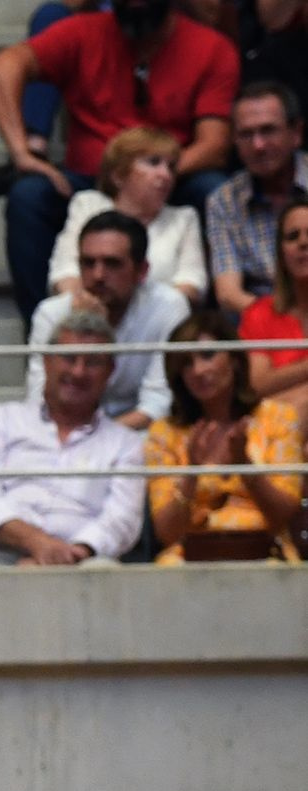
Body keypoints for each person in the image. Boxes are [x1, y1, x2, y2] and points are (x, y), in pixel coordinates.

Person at [0, 0, 239, 320]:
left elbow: (214, 145)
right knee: (28, 195)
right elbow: (2, 67)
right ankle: (49, 335)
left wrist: (153, 173)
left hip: (170, 177)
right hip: (89, 179)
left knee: (213, 190)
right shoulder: (82, 32)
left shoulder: (210, 47)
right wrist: (21, 152)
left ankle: (206, 342)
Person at [0, 308, 146, 567]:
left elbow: (122, 521)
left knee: (104, 573)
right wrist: (36, 543)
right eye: (69, 358)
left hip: (80, 559)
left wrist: (68, 553)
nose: (78, 372)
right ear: (46, 361)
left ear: (110, 371)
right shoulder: (0, 420)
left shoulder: (126, 443)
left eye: (92, 362)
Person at [143, 307, 303, 559]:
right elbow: (166, 532)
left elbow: (283, 515)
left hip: (265, 551)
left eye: (207, 355)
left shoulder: (279, 418)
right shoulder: (164, 432)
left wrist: (245, 466)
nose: (197, 371)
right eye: (186, 364)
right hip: (190, 557)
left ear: (235, 361)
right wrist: (191, 473)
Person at [27, 210, 193, 427]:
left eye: (112, 263)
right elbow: (41, 401)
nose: (98, 275)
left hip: (139, 437)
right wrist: (84, 329)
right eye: (88, 263)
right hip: (64, 437)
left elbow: (157, 406)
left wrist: (100, 442)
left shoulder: (169, 307)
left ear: (141, 271)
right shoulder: (51, 314)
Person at [46, 124, 208, 304]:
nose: (165, 174)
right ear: (118, 175)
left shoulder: (184, 218)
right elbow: (64, 271)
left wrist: (137, 315)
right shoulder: (88, 205)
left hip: (159, 324)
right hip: (90, 317)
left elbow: (193, 283)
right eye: (153, 162)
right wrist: (87, 309)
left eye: (170, 167)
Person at [207, 78, 308, 314]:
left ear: (296, 132)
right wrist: (285, 323)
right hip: (261, 317)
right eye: (246, 134)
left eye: (268, 130)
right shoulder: (224, 200)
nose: (258, 145)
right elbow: (228, 294)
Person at [241, 193, 308, 396]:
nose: (303, 242)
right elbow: (257, 385)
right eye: (292, 236)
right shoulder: (260, 313)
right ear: (281, 253)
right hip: (277, 423)